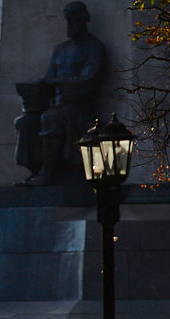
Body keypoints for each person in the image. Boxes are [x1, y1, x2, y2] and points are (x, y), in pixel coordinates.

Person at [19, 1, 106, 185]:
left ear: (83, 20)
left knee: (50, 119)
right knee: (26, 122)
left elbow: (89, 80)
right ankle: (34, 169)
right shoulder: (62, 49)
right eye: (68, 20)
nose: (70, 24)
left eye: (74, 20)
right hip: (58, 104)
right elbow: (50, 77)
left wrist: (57, 82)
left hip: (80, 108)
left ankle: (46, 174)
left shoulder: (94, 47)